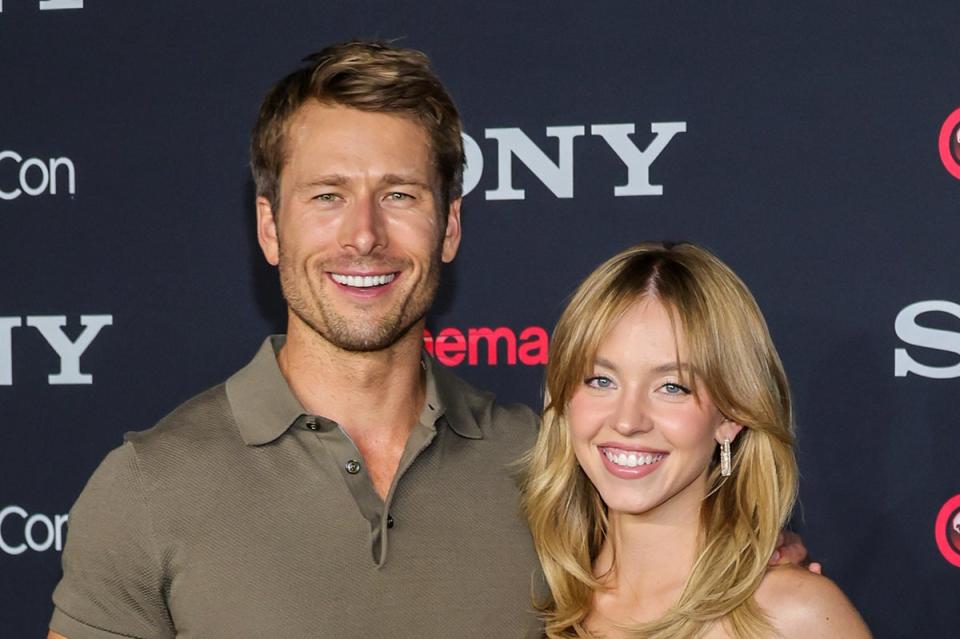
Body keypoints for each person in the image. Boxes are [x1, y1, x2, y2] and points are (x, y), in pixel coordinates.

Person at [48, 43, 808, 639]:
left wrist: (763, 582)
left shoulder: (547, 467)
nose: (364, 236)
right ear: (269, 227)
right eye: (327, 196)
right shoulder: (145, 488)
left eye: (400, 195)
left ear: (449, 226)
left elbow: (683, 568)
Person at [520, 242, 871, 638]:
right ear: (565, 400)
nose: (628, 420)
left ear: (731, 416)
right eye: (602, 381)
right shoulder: (524, 602)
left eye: (672, 387)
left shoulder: (793, 616)